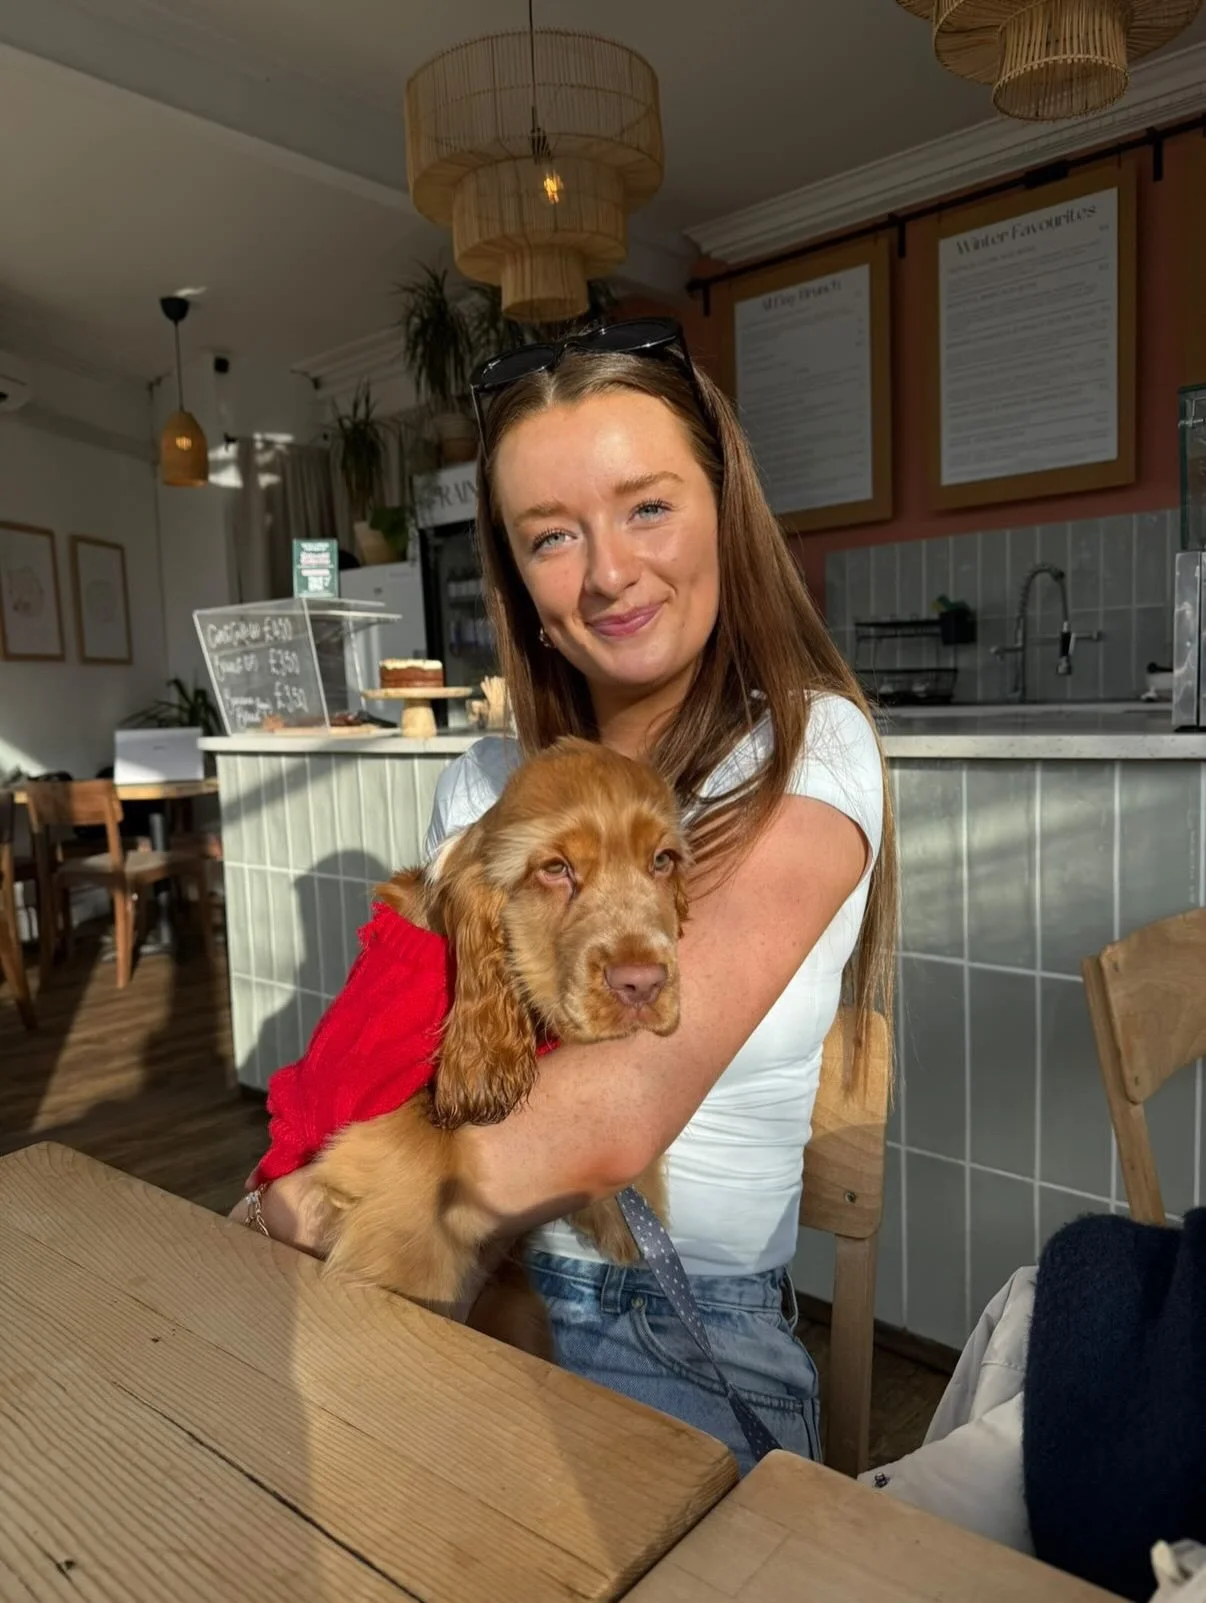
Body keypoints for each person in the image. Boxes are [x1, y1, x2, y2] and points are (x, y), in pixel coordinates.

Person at [247, 317, 896, 1473]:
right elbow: (438, 1054)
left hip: (676, 1329)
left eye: (648, 506)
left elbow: (610, 1117)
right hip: (467, 1280)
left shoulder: (808, 749)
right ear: (520, 578)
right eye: (553, 535)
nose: (606, 572)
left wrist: (317, 1202)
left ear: (725, 514)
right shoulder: (483, 785)